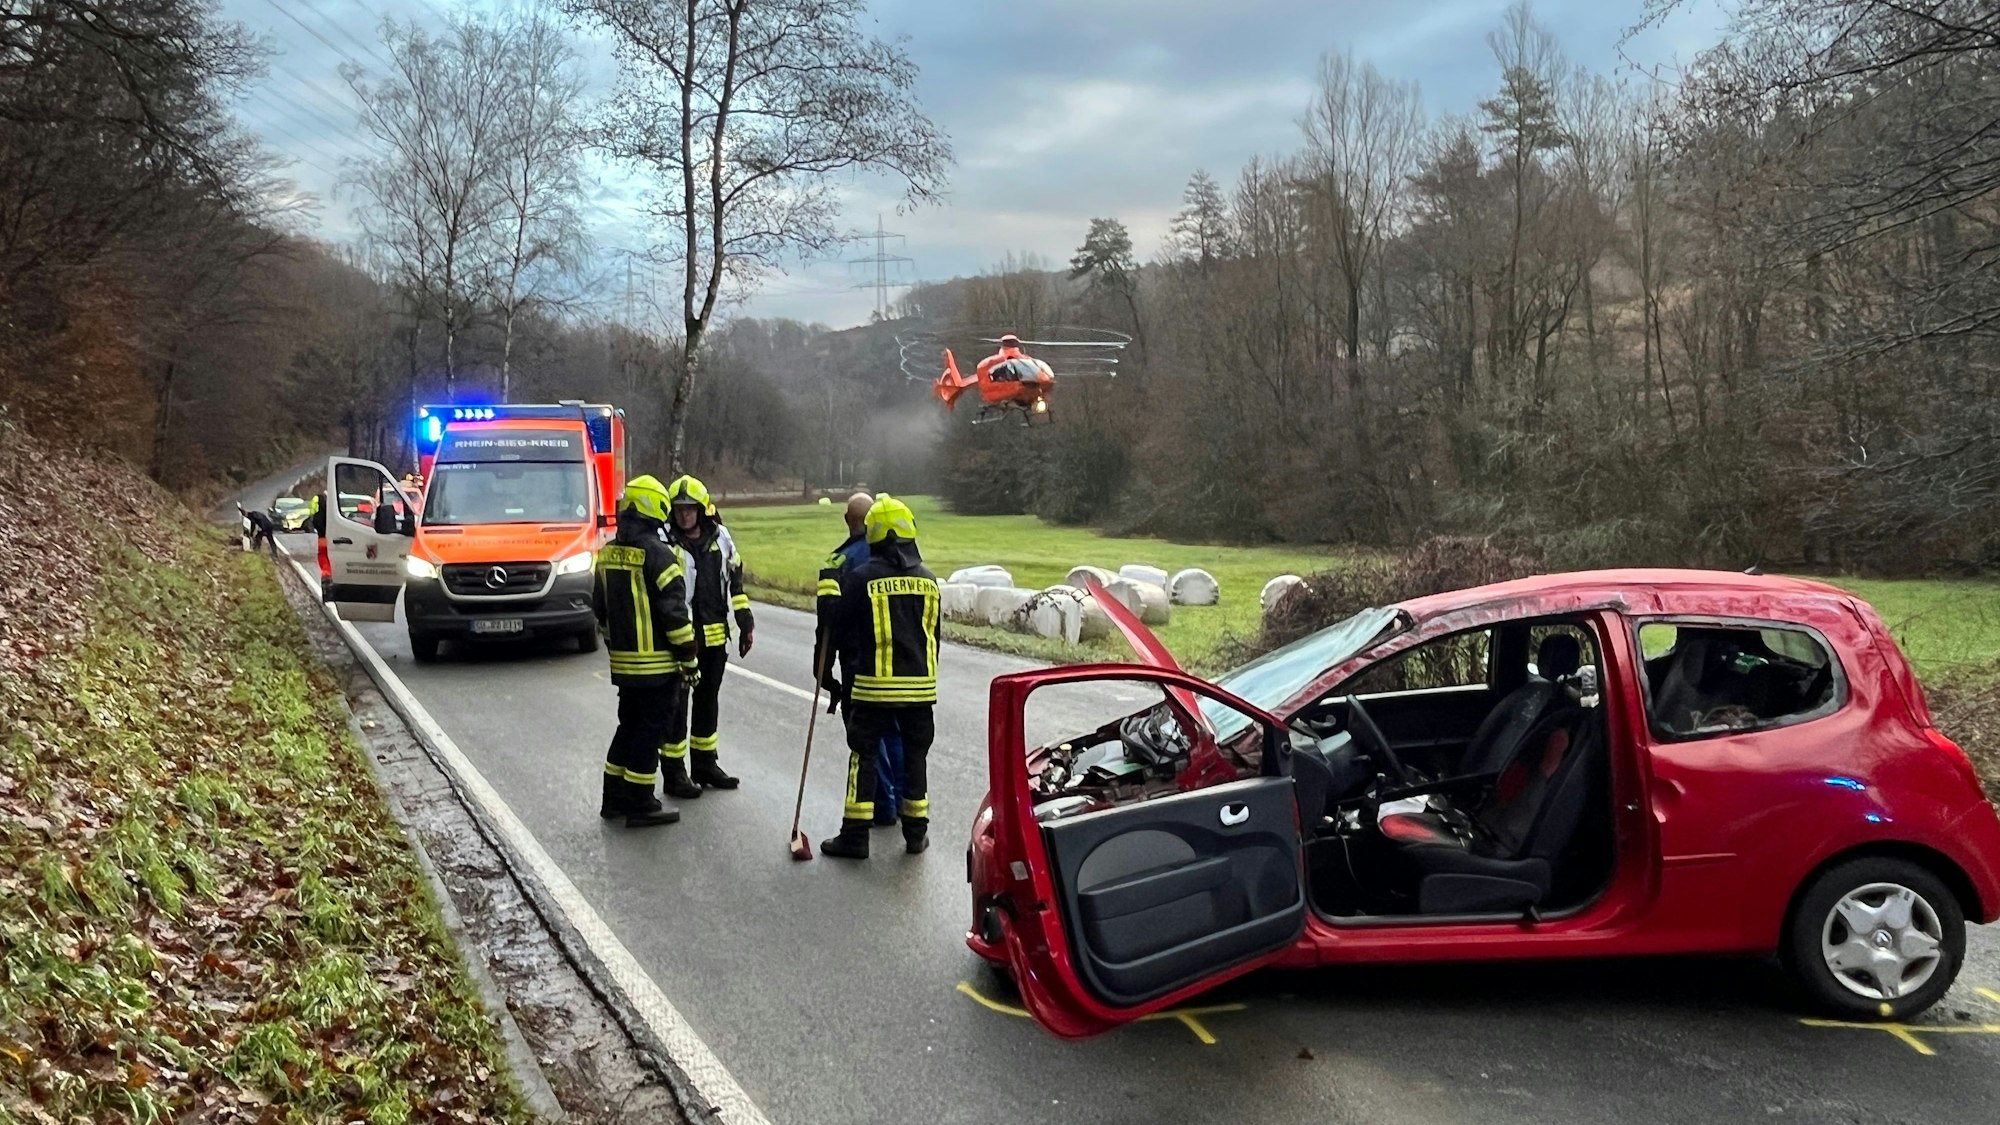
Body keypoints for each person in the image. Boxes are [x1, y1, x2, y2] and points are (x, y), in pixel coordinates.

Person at [821, 495, 940, 859]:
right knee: (915, 760)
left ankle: (855, 837)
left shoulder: (860, 579)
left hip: (873, 688)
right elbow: (934, 637)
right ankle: (916, 834)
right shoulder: (929, 581)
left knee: (864, 757)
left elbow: (839, 629)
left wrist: (826, 670)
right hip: (920, 690)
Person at [591, 474, 699, 828]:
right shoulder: (660, 556)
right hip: (657, 667)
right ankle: (641, 803)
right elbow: (675, 615)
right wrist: (689, 660)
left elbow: (600, 609)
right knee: (649, 734)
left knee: (627, 728)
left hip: (623, 665)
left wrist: (615, 647)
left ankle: (613, 799)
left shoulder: (607, 554)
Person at [815, 491, 906, 828]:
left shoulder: (838, 562)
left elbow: (827, 623)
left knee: (865, 737)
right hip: (897, 660)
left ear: (847, 520)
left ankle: (882, 804)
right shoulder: (897, 558)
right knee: (893, 732)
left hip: (858, 663)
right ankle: (901, 801)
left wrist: (823, 669)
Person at [663, 474, 750, 793]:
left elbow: (735, 578)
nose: (685, 514)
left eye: (690, 508)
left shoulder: (721, 537)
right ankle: (674, 772)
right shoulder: (666, 542)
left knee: (707, 702)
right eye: (679, 509)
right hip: (681, 640)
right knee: (677, 707)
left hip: (714, 638)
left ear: (701, 510)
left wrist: (745, 620)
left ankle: (704, 764)